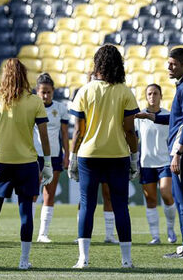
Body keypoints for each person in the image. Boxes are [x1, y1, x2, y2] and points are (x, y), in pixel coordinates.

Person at [68, 46, 139, 269]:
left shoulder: (84, 91)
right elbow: (129, 131)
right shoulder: (125, 92)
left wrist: (71, 157)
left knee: (88, 206)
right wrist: (135, 158)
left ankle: (83, 259)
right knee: (121, 207)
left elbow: (78, 131)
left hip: (88, 155)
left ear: (97, 64)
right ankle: (126, 260)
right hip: (118, 154)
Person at [0, 58, 51, 270]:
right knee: (26, 210)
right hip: (27, 162)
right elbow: (44, 136)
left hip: (1, 161)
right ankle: (24, 260)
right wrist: (46, 162)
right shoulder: (35, 101)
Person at [145, 47, 183, 258]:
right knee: (182, 198)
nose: (169, 67)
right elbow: (177, 120)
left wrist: (178, 151)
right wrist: (152, 117)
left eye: (173, 64)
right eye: (168, 63)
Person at [134, 84, 178, 245]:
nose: (152, 96)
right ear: (146, 97)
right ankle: (155, 236)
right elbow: (135, 139)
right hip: (146, 163)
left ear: (161, 95)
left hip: (165, 162)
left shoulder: (168, 115)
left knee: (167, 194)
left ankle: (170, 229)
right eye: (150, 94)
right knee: (151, 199)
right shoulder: (139, 117)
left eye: (155, 93)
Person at [28, 73, 69, 244]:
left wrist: (67, 154)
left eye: (48, 92)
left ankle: (42, 233)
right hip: (34, 155)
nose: (45, 96)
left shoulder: (60, 108)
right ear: (37, 91)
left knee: (49, 193)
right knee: (32, 193)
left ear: (53, 92)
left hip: (54, 156)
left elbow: (65, 134)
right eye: (42, 92)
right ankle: (28, 230)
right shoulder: (31, 107)